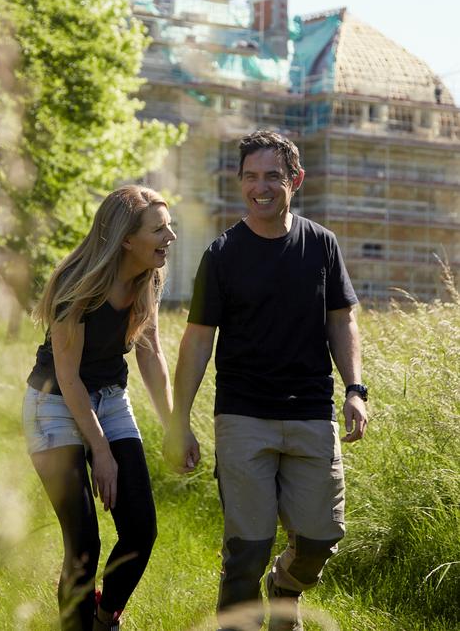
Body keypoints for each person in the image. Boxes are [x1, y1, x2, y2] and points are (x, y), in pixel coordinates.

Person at [164, 130, 368, 631]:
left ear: (295, 180)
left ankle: (285, 588)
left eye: (273, 176)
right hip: (242, 416)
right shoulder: (222, 254)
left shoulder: (322, 244)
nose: (261, 187)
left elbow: (341, 321)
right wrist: (179, 421)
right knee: (245, 552)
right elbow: (197, 340)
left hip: (311, 413)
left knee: (321, 537)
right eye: (251, 176)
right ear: (240, 183)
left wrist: (355, 390)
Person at [24, 185, 176, 631]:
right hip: (53, 403)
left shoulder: (149, 274)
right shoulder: (77, 284)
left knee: (140, 532)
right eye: (159, 229)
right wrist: (101, 453)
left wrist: (173, 425)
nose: (170, 237)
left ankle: (105, 617)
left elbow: (150, 354)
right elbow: (68, 379)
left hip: (109, 398)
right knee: (84, 543)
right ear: (126, 239)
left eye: (169, 226)